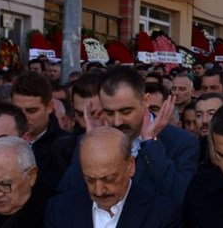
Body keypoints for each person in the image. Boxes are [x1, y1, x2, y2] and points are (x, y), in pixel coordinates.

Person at [40, 128, 183, 228]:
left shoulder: (161, 214)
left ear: (130, 166)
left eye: (109, 179)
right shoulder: (60, 210)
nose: (99, 190)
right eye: (90, 180)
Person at [58, 66, 199, 205]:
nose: (117, 121)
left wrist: (150, 144)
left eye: (126, 111)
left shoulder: (181, 142)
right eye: (109, 113)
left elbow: (180, 197)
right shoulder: (88, 140)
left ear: (146, 101)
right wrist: (91, 144)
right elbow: (66, 196)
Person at [11, 71, 66, 174]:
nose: (24, 117)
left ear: (49, 107)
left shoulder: (66, 148)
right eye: (17, 111)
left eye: (31, 111)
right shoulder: (1, 139)